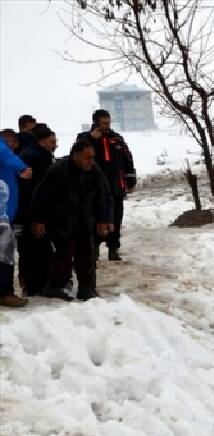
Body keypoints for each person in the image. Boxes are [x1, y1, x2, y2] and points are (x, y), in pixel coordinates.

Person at [30, 139, 111, 301]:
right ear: (76, 156)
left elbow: (103, 196)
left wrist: (104, 219)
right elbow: (39, 196)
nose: (91, 161)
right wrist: (37, 220)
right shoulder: (58, 170)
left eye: (92, 157)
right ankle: (54, 287)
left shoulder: (94, 170)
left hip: (84, 219)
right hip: (60, 221)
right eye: (87, 157)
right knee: (65, 253)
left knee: (87, 253)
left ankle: (86, 289)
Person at [76, 109, 135, 262]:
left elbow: (128, 159)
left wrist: (131, 180)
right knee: (94, 218)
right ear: (96, 123)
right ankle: (94, 248)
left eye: (108, 123)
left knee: (116, 218)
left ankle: (113, 248)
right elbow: (78, 158)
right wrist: (92, 139)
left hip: (115, 186)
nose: (107, 126)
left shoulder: (117, 138)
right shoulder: (84, 139)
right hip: (93, 188)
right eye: (104, 123)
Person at [16, 124, 56, 297]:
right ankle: (36, 288)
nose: (55, 145)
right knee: (36, 252)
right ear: (42, 141)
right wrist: (36, 219)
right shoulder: (35, 158)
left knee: (34, 251)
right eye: (52, 141)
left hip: (31, 215)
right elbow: (34, 192)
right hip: (31, 216)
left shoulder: (37, 155)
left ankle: (36, 286)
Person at [0, 137, 33, 308]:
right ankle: (5, 293)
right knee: (5, 256)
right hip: (2, 216)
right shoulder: (3, 149)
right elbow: (6, 156)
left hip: (7, 213)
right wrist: (23, 167)